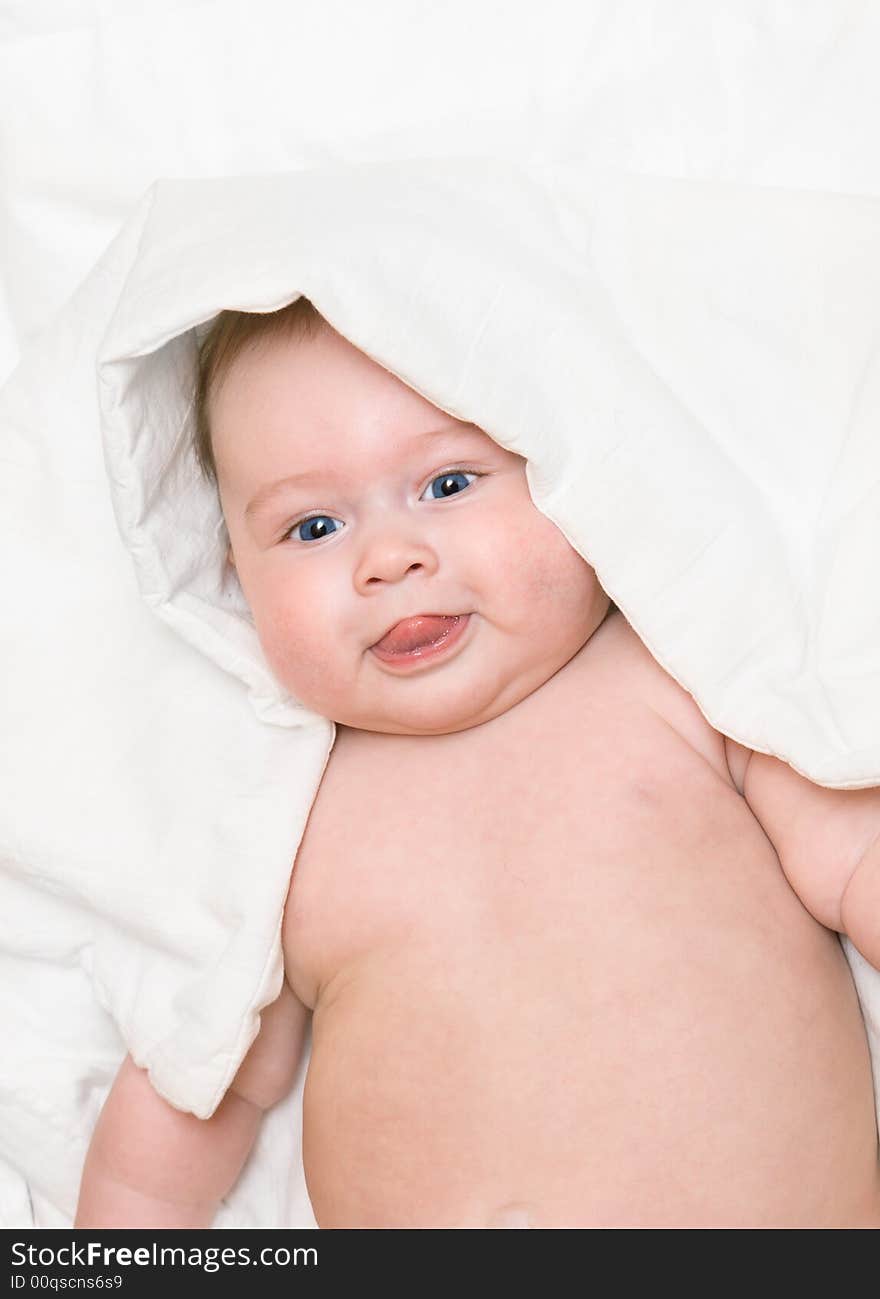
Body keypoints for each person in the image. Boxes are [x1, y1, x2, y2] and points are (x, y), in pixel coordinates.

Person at [75, 298, 880, 1228]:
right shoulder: (281, 824)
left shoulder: (686, 686)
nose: (388, 557)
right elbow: (193, 1085)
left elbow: (857, 862)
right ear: (233, 577)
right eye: (312, 529)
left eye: (449, 484)